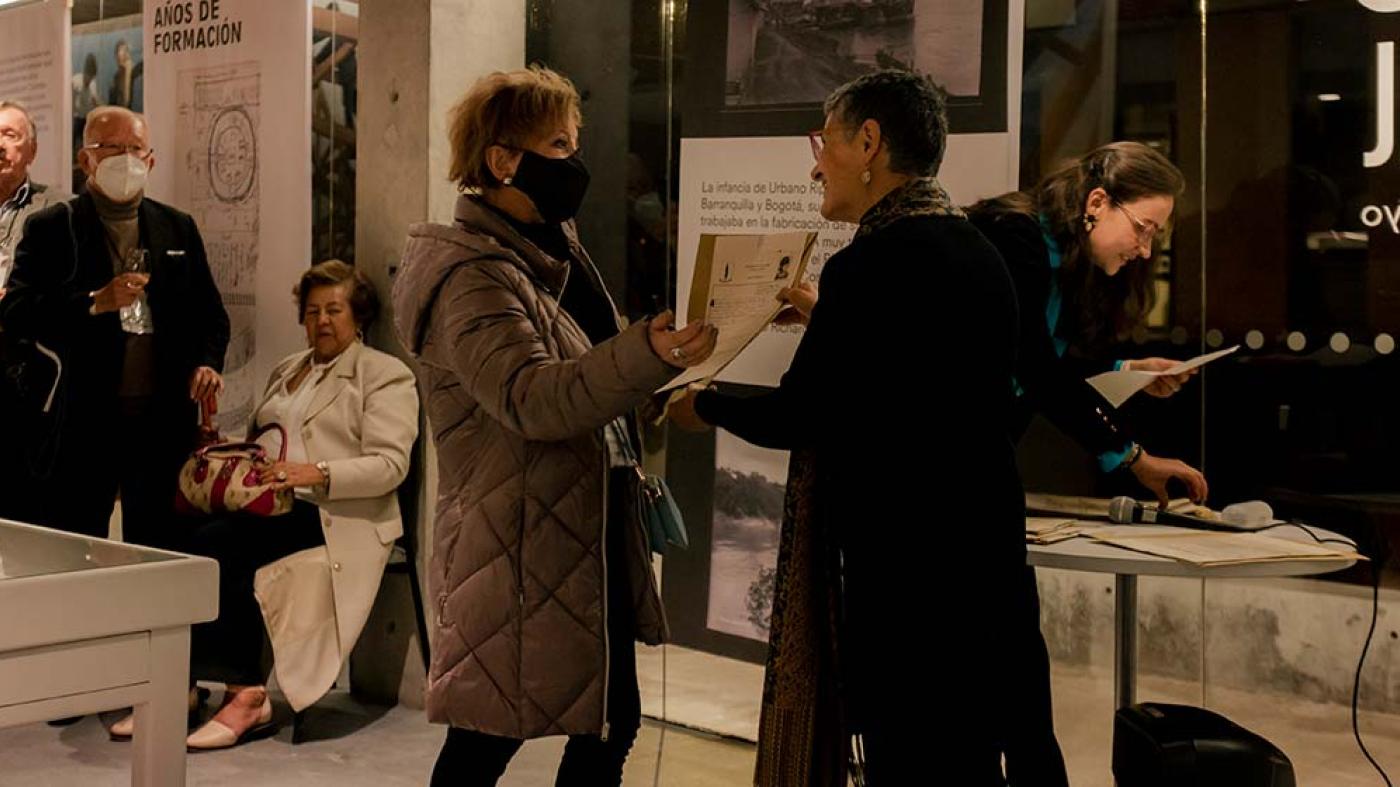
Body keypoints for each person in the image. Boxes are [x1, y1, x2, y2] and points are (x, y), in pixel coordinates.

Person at [670, 69, 1029, 784]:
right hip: (980, 566)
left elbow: (807, 412)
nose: (814, 163)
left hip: (907, 582)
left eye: (823, 141)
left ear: (869, 143)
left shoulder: (871, 264)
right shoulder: (977, 254)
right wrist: (828, 317)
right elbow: (920, 384)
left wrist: (702, 403)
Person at [391, 66, 717, 786]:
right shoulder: (471, 274)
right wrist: (643, 356)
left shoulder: (547, 250)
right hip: (513, 538)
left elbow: (584, 363)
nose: (576, 162)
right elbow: (531, 396)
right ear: (504, 158)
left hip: (575, 523)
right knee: (487, 737)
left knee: (609, 719)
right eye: (560, 144)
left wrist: (656, 367)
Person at [105, 261, 421, 748]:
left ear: (358, 315)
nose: (322, 321)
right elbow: (262, 441)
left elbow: (390, 465)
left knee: (221, 546)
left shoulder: (382, 375)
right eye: (312, 311)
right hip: (271, 502)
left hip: (335, 511)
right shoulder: (287, 369)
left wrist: (314, 473)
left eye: (334, 310)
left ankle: (246, 694)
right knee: (169, 538)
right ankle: (180, 685)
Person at [1, 106, 229, 548]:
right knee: (74, 546)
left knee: (158, 546)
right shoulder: (52, 227)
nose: (125, 159)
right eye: (111, 149)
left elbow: (211, 314)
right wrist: (92, 303)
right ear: (85, 160)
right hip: (81, 420)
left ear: (151, 159)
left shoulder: (176, 228)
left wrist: (208, 362)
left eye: (134, 149)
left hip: (161, 421)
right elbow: (17, 314)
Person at [0, 101, 71, 521]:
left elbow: (69, 288)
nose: (0, 145)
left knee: (21, 505)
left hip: (26, 373)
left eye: (11, 135)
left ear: (33, 150)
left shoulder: (58, 210)